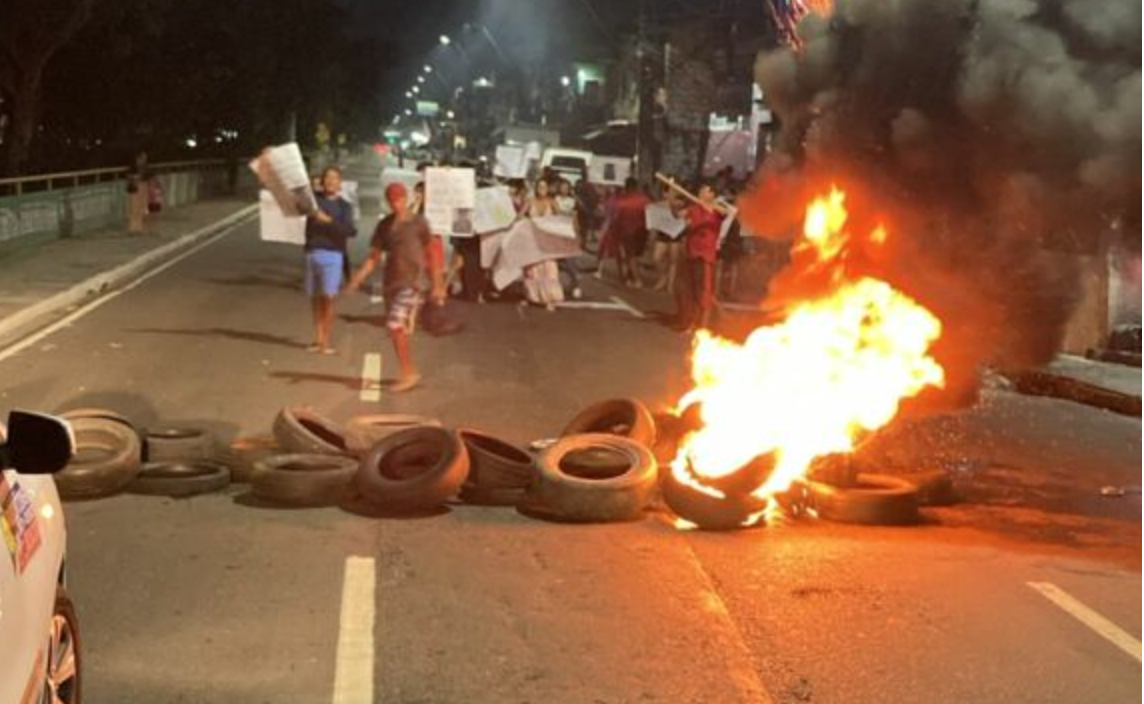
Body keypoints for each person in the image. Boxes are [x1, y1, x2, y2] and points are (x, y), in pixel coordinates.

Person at [346, 182, 439, 392]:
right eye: (392, 200)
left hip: (413, 282)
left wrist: (437, 285)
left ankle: (409, 373)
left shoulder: (418, 223)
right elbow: (374, 256)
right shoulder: (385, 226)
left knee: (395, 326)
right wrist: (357, 278)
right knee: (397, 330)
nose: (396, 204)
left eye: (399, 199)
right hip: (392, 283)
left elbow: (432, 252)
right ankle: (407, 370)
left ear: (405, 199)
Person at [303, 166, 356, 354]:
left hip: (333, 255)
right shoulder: (313, 202)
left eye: (335, 178)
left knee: (328, 298)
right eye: (327, 177)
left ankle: (326, 340)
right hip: (312, 253)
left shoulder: (344, 207)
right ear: (321, 181)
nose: (331, 181)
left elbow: (350, 231)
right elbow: (293, 195)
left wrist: (329, 222)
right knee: (315, 300)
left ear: (340, 183)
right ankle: (317, 339)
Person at [674, 182, 729, 333]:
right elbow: (678, 215)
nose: (701, 194)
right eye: (700, 191)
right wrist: (673, 200)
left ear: (712, 195)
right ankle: (691, 322)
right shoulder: (694, 208)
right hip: (691, 253)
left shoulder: (716, 210)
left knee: (704, 293)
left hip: (705, 256)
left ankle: (703, 326)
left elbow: (726, 212)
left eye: (705, 191)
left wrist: (708, 205)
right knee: (689, 291)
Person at [596, 178, 649, 287]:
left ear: (626, 187)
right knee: (634, 256)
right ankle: (630, 277)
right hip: (642, 232)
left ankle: (635, 279)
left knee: (628, 256)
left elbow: (615, 219)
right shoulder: (645, 200)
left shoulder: (621, 202)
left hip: (626, 232)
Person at [521, 180, 564, 310]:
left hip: (548, 241)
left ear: (548, 189)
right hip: (532, 240)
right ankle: (531, 297)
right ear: (536, 188)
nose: (542, 189)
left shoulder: (552, 202)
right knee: (532, 270)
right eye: (539, 186)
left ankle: (550, 299)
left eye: (544, 186)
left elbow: (561, 218)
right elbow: (519, 216)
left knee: (549, 269)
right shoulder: (530, 201)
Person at [553, 179, 583, 300]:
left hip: (569, 233)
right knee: (557, 261)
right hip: (557, 232)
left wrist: (578, 234)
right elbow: (557, 213)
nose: (564, 189)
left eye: (567, 187)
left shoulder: (573, 201)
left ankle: (575, 285)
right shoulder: (555, 199)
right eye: (562, 187)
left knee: (571, 261)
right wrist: (567, 214)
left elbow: (575, 218)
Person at [126, 151, 150, 234]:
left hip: (143, 186)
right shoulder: (132, 166)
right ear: (138, 158)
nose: (144, 159)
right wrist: (135, 177)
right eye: (143, 158)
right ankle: (132, 228)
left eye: (145, 158)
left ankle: (139, 228)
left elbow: (148, 176)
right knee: (134, 207)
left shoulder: (145, 167)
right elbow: (128, 176)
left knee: (141, 207)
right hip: (135, 187)